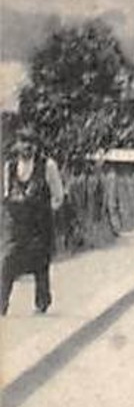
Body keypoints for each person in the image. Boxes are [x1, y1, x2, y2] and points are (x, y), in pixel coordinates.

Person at [1, 128, 65, 316]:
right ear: (17, 145)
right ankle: (1, 303)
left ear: (36, 147)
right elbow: (6, 194)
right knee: (7, 260)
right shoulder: (10, 166)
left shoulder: (48, 166)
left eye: (31, 144)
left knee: (40, 263)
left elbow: (58, 195)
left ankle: (42, 303)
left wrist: (46, 212)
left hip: (39, 225)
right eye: (23, 142)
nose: (27, 147)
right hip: (17, 224)